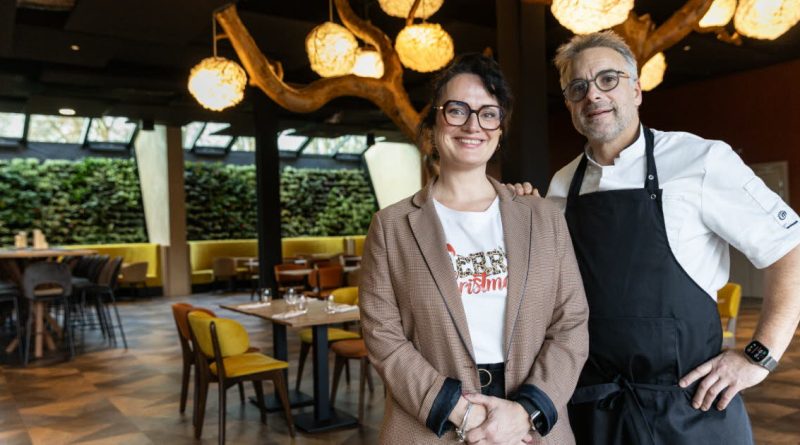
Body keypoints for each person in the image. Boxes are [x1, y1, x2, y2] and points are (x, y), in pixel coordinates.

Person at [512, 30, 800, 444]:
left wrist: (760, 355)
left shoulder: (700, 159)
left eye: (607, 79)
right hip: (595, 410)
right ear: (571, 104)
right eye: (578, 87)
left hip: (693, 407)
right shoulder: (562, 185)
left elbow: (788, 247)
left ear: (636, 89)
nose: (593, 95)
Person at [358, 53, 589, 444]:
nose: (472, 124)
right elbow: (383, 336)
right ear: (433, 124)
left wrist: (525, 411)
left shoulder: (543, 217)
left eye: (488, 113)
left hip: (530, 429)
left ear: (500, 129)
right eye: (457, 110)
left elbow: (571, 323)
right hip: (430, 425)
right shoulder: (392, 227)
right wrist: (462, 412)